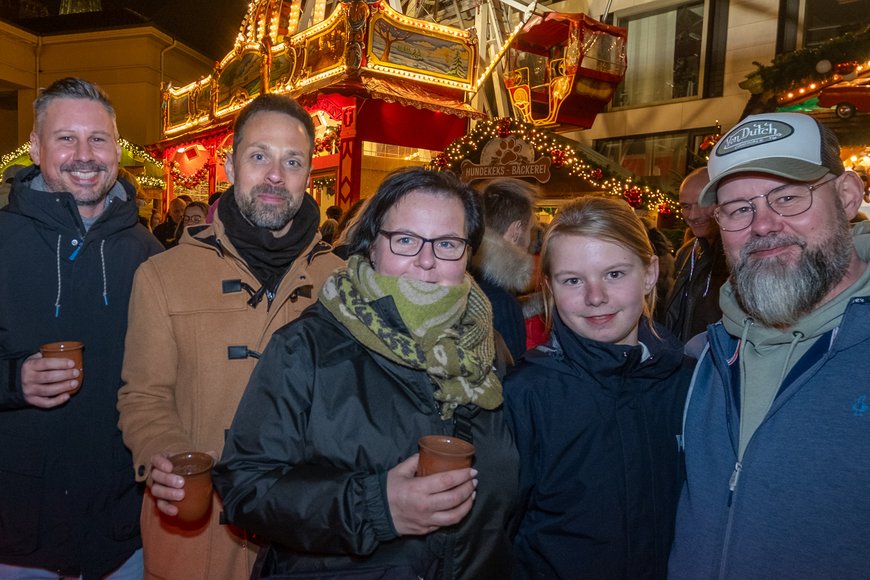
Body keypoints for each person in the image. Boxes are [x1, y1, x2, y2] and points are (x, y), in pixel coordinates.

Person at [213, 166, 519, 579]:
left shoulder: (488, 349)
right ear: (373, 246)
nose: (426, 261)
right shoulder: (307, 348)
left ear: (468, 254)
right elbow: (245, 486)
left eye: (447, 243)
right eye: (405, 240)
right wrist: (375, 506)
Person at [116, 93, 344, 580]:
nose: (275, 175)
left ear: (308, 174)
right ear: (229, 166)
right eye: (259, 156)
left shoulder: (342, 284)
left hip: (307, 543)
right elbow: (144, 396)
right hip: (194, 543)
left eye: (293, 161)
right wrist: (167, 455)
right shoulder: (161, 275)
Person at [669, 112, 870, 578]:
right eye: (738, 209)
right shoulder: (705, 357)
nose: (762, 225)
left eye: (788, 197)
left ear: (847, 196)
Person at [0, 77, 162, 578]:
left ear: (117, 149)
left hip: (121, 537)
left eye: (98, 139)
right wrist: (13, 380)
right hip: (16, 538)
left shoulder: (151, 255)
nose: (84, 155)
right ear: (36, 148)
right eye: (66, 138)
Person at [505, 196, 693, 580]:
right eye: (573, 280)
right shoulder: (526, 394)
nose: (595, 297)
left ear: (650, 273)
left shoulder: (690, 383)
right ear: (549, 287)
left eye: (614, 274)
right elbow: (497, 536)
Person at [471, 177, 537, 360]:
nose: (530, 239)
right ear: (516, 230)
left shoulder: (465, 275)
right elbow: (511, 372)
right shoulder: (502, 302)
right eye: (530, 229)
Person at [660, 167, 730, 342]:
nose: (693, 215)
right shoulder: (686, 253)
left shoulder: (739, 255)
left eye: (702, 203)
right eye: (686, 206)